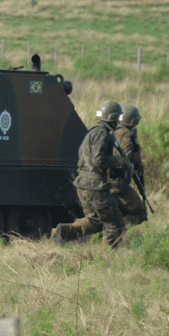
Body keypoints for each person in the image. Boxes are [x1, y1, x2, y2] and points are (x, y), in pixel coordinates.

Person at [51, 100, 126, 247]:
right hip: (95, 186)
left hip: (84, 183)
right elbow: (98, 159)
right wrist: (118, 160)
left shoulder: (92, 132)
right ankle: (109, 258)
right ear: (112, 118)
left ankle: (66, 230)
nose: (118, 121)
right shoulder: (102, 133)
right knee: (114, 224)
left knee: (95, 222)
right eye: (117, 117)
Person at [111, 104, 148, 226]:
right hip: (118, 182)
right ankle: (117, 232)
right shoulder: (124, 134)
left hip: (108, 180)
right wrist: (137, 157)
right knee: (141, 213)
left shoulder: (112, 131)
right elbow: (125, 158)